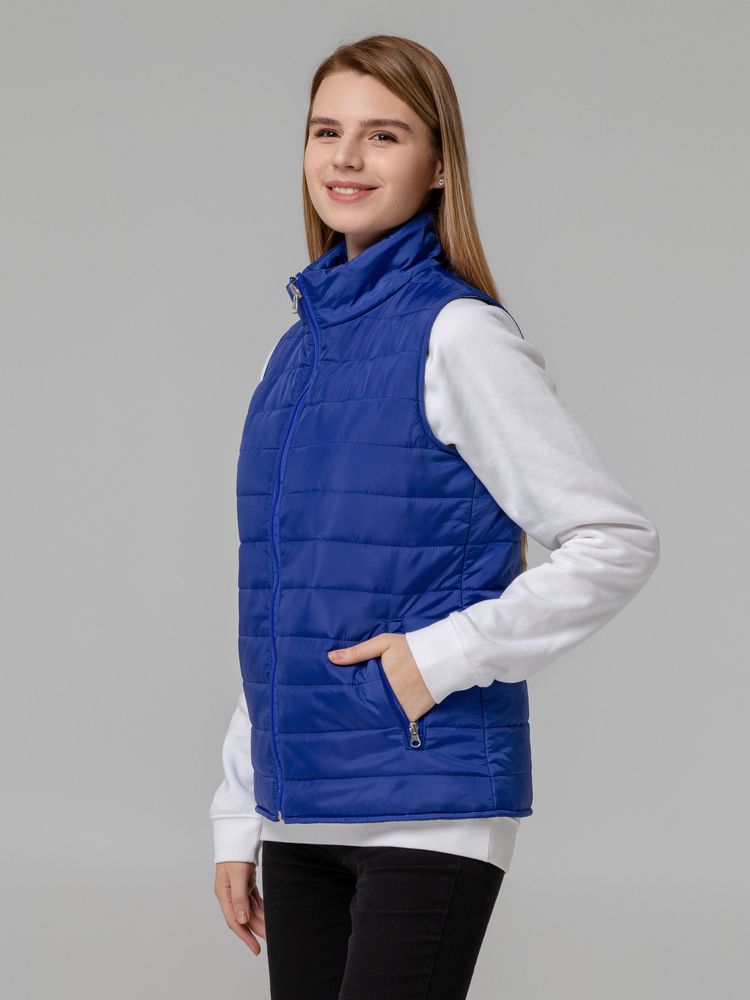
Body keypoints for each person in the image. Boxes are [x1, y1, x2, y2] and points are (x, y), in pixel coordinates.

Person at [210, 34, 660, 999]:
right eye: (326, 131)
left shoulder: (458, 334)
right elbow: (284, 601)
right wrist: (238, 810)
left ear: (440, 164)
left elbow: (614, 542)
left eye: (384, 135)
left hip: (429, 796)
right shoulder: (291, 359)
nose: (346, 157)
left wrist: (438, 659)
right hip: (300, 810)